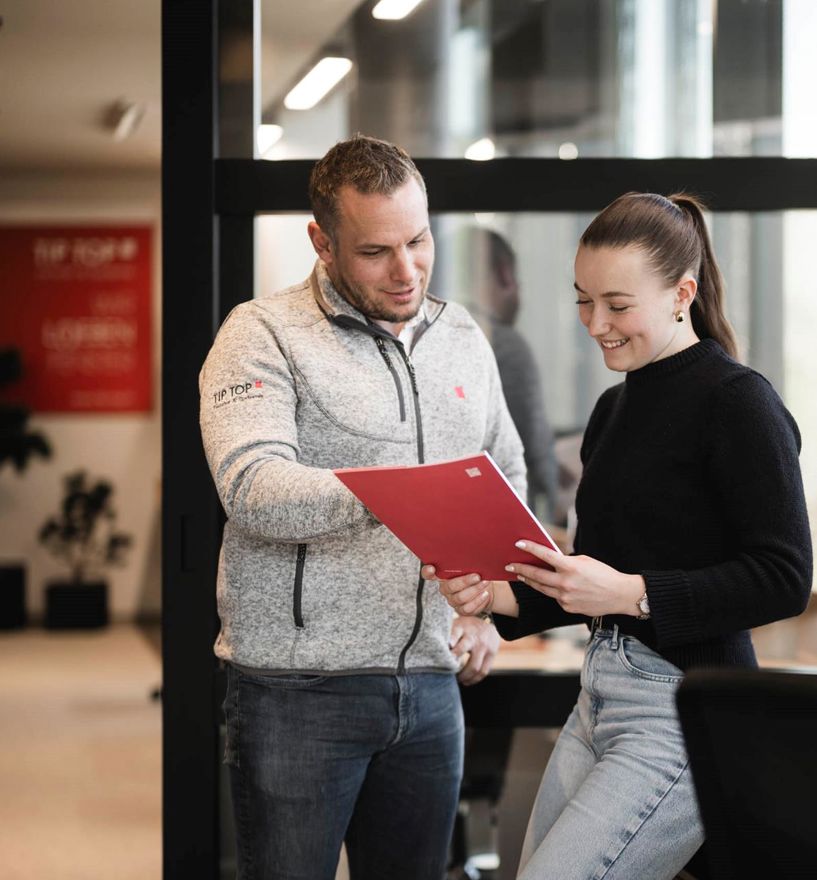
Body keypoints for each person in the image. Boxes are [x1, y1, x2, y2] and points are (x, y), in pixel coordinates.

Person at [427, 191, 813, 880]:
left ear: (680, 294)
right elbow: (588, 586)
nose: (595, 324)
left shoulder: (738, 403)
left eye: (615, 304)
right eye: (582, 300)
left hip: (678, 713)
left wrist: (633, 593)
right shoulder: (614, 406)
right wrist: (493, 597)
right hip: (597, 696)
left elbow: (784, 575)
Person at [198, 134, 526, 880]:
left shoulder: (462, 336)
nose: (406, 269)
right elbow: (253, 490)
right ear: (322, 241)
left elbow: (503, 475)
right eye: (377, 250)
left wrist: (480, 609)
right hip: (297, 693)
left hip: (431, 686)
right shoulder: (261, 335)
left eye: (418, 240)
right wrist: (402, 496)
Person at [460, 226, 563, 521]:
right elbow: (534, 451)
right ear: (505, 274)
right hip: (500, 524)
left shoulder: (427, 340)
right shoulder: (505, 346)